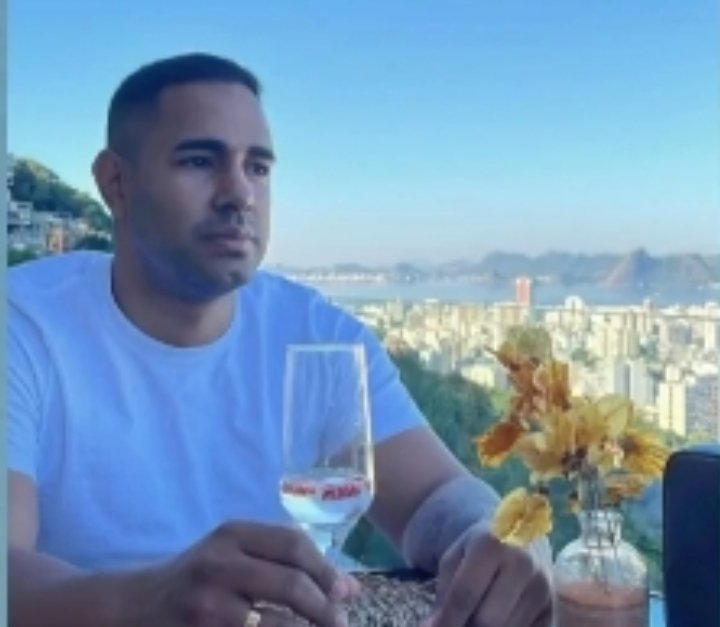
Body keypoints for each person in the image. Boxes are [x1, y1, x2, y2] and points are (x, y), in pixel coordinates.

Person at [7, 52, 553, 627]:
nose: (239, 193)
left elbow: (433, 499)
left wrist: (495, 535)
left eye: (258, 167)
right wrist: (148, 601)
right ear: (116, 183)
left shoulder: (319, 333)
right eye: (199, 161)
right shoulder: (25, 327)